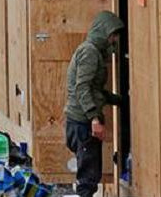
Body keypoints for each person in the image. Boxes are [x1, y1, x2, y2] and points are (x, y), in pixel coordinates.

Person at [64, 10, 124, 197]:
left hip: (80, 121)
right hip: (83, 123)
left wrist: (116, 99)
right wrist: (94, 119)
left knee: (89, 171)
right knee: (88, 177)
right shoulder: (90, 53)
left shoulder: (93, 52)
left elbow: (94, 90)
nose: (114, 40)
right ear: (103, 32)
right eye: (112, 35)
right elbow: (83, 88)